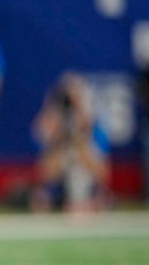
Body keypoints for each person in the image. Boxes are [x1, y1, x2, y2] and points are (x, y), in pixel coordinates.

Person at [31, 72, 110, 212]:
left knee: (86, 181)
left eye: (76, 100)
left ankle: (83, 202)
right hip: (59, 190)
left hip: (88, 188)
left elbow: (103, 174)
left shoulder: (96, 128)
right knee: (40, 200)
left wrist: (80, 139)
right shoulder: (54, 128)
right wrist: (59, 138)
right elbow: (45, 173)